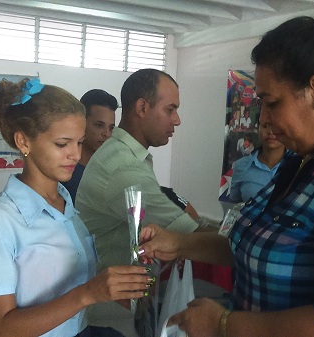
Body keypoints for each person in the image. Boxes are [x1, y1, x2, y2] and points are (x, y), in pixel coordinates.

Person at [138, 15, 314, 337]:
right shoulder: (304, 162)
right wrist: (178, 244)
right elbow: (251, 242)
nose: (266, 119)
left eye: (272, 102)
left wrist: (222, 324)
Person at [0, 78, 151, 337]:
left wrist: (118, 286)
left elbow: (73, 280)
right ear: (24, 142)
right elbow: (2, 328)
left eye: (79, 142)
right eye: (62, 144)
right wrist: (87, 294)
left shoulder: (67, 207)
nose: (75, 154)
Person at [75, 68, 213, 337]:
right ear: (142, 107)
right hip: (111, 315)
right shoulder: (123, 167)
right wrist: (247, 240)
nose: (177, 120)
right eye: (170, 109)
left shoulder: (125, 156)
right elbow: (190, 235)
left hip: (121, 301)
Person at [62, 89, 118, 203]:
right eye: (99, 125)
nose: (106, 133)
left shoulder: (112, 170)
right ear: (82, 122)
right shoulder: (65, 168)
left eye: (111, 128)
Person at [229, 118, 286, 203]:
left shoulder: (298, 166)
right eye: (265, 126)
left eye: (277, 127)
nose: (270, 131)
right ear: (258, 129)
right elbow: (234, 206)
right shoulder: (242, 165)